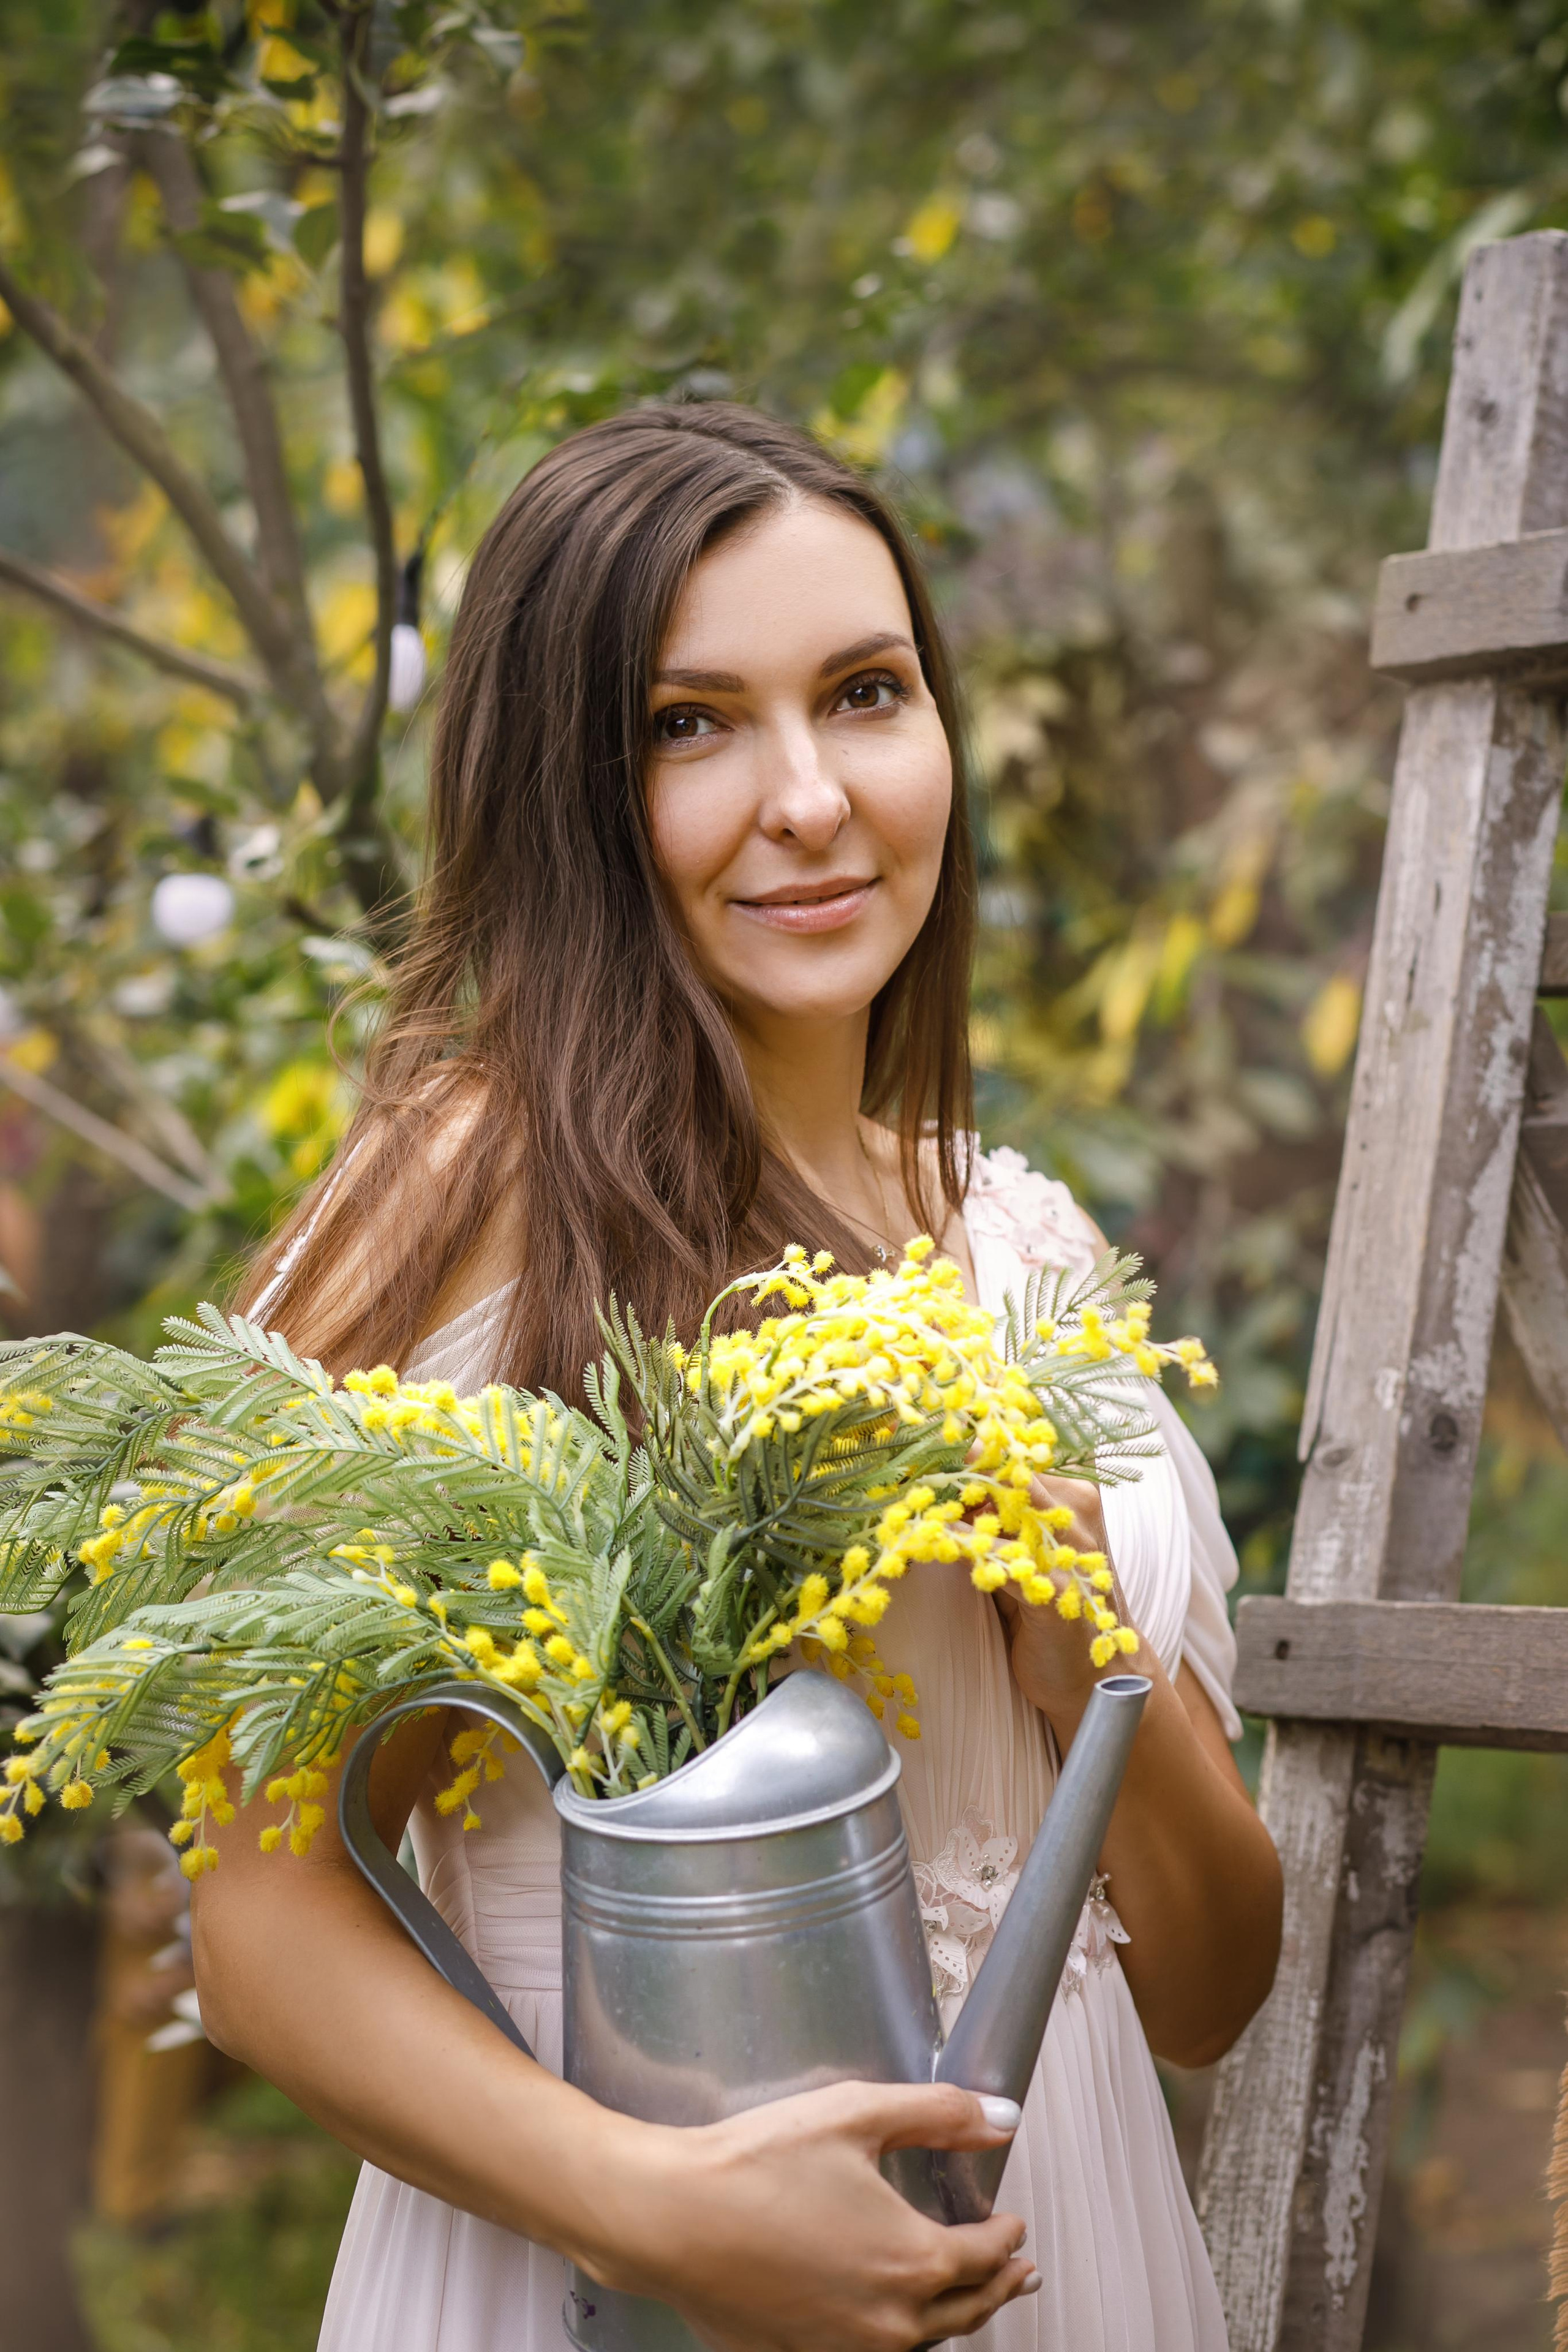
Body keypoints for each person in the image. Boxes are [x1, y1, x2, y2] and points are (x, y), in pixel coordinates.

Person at [194, 402, 1283, 2352]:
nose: (812, 797)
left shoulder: (1025, 1249)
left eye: (866, 693)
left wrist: (1089, 1666)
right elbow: (263, 1942)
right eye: (691, 724)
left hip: (1070, 2261)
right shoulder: (462, 1193)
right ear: (569, 791)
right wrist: (659, 2214)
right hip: (600, 2277)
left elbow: (1208, 1991)